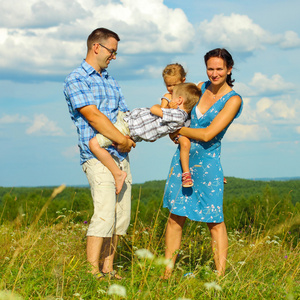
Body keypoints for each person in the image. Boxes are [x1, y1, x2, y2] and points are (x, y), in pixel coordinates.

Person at [162, 48, 243, 278]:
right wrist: (173, 128)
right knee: (175, 216)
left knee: (215, 221)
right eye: (210, 68)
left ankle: (220, 275)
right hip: (183, 160)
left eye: (219, 69)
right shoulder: (199, 87)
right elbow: (178, 110)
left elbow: (208, 134)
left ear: (229, 69)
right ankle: (166, 274)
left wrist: (175, 128)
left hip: (208, 164)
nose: (214, 73)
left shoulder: (233, 100)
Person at [63, 27, 136, 280]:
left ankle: (108, 268)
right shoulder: (76, 79)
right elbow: (92, 115)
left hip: (120, 157)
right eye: (111, 51)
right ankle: (92, 272)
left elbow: (123, 115)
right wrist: (122, 140)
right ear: (96, 47)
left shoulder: (111, 80)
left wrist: (127, 140)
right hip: (96, 156)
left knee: (119, 217)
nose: (113, 57)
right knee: (104, 213)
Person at [89, 82, 202, 193]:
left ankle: (117, 173)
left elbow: (154, 109)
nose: (170, 99)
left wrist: (165, 106)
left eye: (172, 97)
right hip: (129, 122)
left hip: (127, 126)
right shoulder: (178, 116)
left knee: (94, 144)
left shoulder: (178, 115)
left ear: (179, 100)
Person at [161, 64, 193, 187]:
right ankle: (186, 175)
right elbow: (162, 113)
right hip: (177, 130)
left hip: (190, 126)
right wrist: (169, 107)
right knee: (185, 144)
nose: (171, 88)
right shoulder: (168, 97)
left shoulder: (187, 93)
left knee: (203, 142)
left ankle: (212, 174)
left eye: (175, 85)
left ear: (183, 81)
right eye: (168, 85)